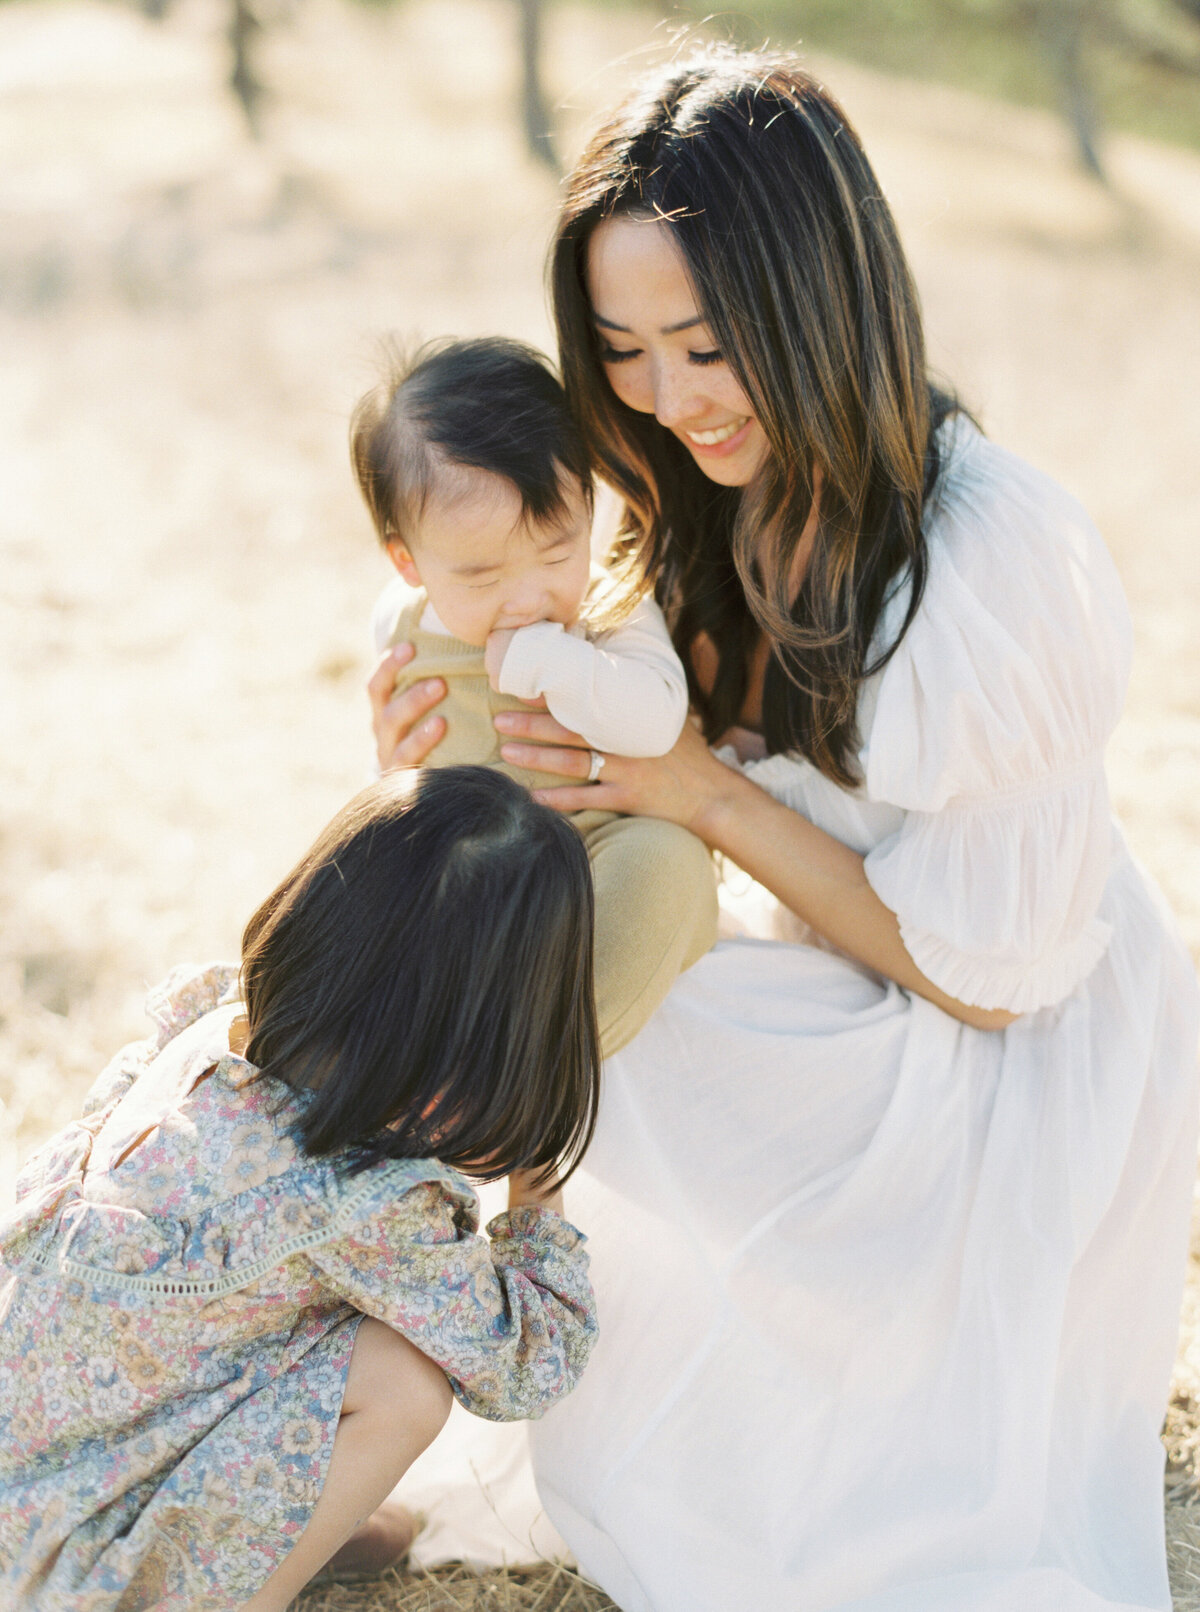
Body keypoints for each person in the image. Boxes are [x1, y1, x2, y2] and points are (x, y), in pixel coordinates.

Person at [370, 45, 1200, 1612]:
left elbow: (992, 979)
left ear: (819, 299)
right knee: (550, 979)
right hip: (849, 966)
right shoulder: (691, 485)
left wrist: (696, 791)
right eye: (622, 349)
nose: (670, 399)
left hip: (1015, 1058)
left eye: (704, 342)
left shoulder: (984, 555)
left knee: (609, 1038)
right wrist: (436, 750)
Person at [0, 767, 600, 1612]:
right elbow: (528, 1363)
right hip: (65, 1565)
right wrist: (539, 1174)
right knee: (404, 1385)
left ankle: (293, 1530)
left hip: (27, 1475)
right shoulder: (360, 1201)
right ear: (499, 1032)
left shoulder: (209, 1036)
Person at [353, 335, 716, 1055]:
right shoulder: (399, 624)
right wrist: (389, 779)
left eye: (556, 551)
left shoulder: (611, 606)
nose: (527, 598)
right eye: (482, 577)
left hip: (601, 860)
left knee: (669, 865)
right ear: (409, 561)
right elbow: (404, 752)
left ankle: (540, 1064)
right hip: (474, 881)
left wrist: (554, 659)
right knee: (367, 882)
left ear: (588, 504)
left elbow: (655, 720)